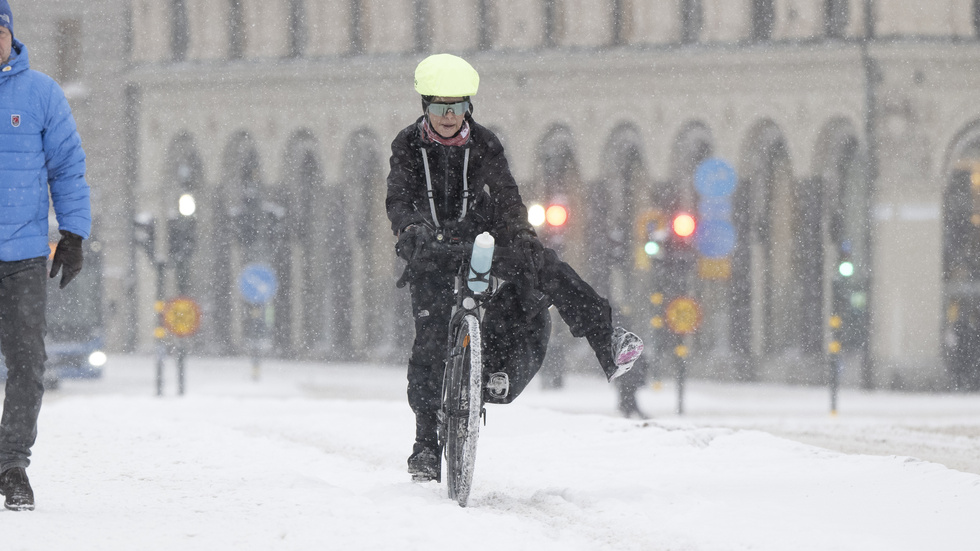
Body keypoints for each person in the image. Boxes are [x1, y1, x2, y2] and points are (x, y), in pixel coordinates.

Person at [386, 53, 643, 482]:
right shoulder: (407, 145)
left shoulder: (485, 142)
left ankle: (604, 338)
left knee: (540, 266)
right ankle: (426, 447)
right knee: (429, 344)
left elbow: (506, 195)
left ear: (469, 106)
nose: (448, 116)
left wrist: (521, 235)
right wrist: (411, 229)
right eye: (438, 107)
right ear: (424, 107)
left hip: (478, 238)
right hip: (431, 248)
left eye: (457, 106)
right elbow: (399, 196)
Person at [0, 0, 91, 511]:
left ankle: (12, 463)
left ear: (10, 34)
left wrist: (74, 233)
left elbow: (67, 167)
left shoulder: (42, 93)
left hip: (25, 255)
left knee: (28, 363)